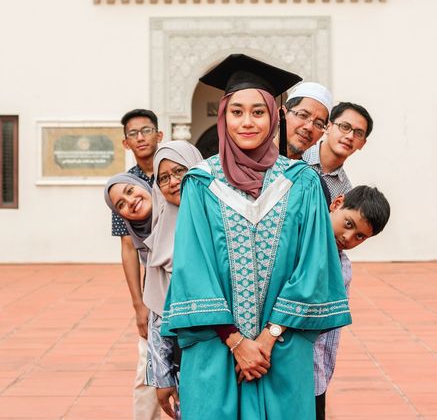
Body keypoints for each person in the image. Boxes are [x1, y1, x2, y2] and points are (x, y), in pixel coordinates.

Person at [161, 54, 352, 420]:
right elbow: (192, 270)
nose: (247, 122)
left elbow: (313, 266)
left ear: (274, 116)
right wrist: (236, 342)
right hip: (216, 350)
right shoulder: (201, 183)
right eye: (237, 112)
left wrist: (266, 338)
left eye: (258, 112)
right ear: (223, 116)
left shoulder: (302, 182)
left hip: (281, 349)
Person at [315, 186, 390, 420]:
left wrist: (323, 378)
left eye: (360, 237)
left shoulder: (343, 269)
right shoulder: (296, 244)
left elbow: (330, 335)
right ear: (337, 203)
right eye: (348, 224)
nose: (348, 238)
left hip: (316, 376)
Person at [143, 142, 203, 419]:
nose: (172, 182)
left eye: (179, 171)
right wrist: (162, 376)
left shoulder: (223, 217)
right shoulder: (160, 235)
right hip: (184, 356)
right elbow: (156, 315)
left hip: (231, 347)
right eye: (163, 177)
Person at [112, 109, 163, 420]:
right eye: (134, 133)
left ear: (160, 135)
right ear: (125, 142)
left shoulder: (176, 172)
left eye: (146, 130)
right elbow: (128, 247)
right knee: (148, 367)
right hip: (153, 289)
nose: (141, 137)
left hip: (190, 281)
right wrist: (138, 305)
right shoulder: (123, 188)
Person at [303, 101, 373, 200]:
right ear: (328, 127)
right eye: (345, 127)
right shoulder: (299, 153)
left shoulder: (345, 191)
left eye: (359, 133)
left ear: (363, 144)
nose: (350, 136)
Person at [277, 81, 333, 160]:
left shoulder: (308, 172)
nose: (309, 127)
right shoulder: (254, 158)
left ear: (321, 135)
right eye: (303, 115)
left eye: (318, 124)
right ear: (281, 114)